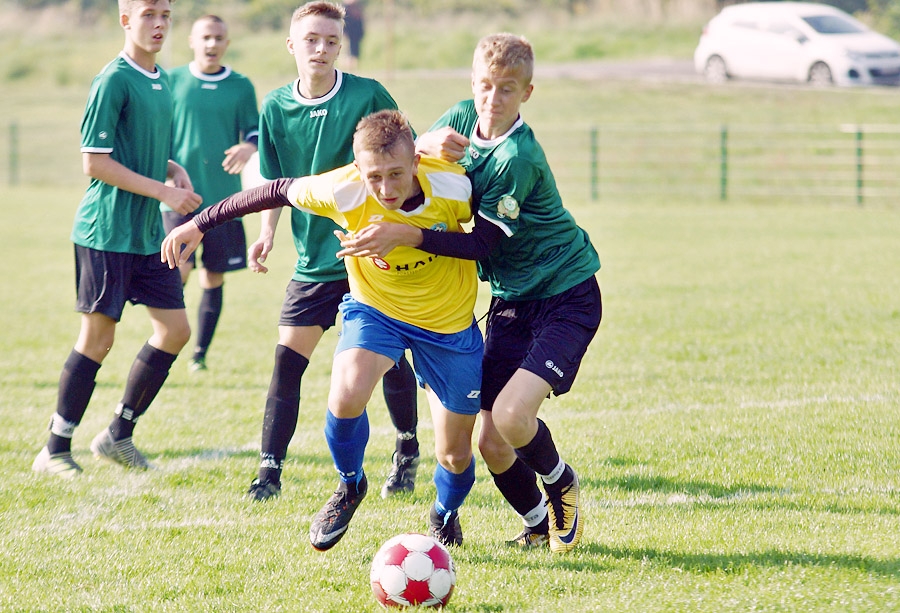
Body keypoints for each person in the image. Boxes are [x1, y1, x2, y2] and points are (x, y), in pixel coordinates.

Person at [162, 109, 481, 549]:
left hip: (447, 325)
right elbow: (272, 191)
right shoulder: (345, 188)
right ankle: (350, 485)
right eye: (374, 177)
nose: (385, 189)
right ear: (358, 169)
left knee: (455, 453)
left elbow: (490, 242)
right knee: (346, 393)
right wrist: (199, 223)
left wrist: (411, 236)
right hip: (377, 310)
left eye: (396, 175)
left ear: (416, 163)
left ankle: (444, 514)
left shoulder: (454, 185)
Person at [336, 33, 602, 554]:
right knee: (489, 441)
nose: (492, 99)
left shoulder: (517, 157)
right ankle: (533, 523)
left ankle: (561, 483)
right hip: (510, 299)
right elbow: (411, 159)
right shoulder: (460, 116)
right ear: (472, 83)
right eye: (484, 85)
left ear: (527, 93)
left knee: (509, 417)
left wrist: (408, 236)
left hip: (565, 292)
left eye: (506, 89)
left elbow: (481, 242)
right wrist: (426, 142)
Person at [242, 1, 420, 503]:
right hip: (314, 261)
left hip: (370, 254)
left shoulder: (367, 94)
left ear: (341, 44)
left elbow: (407, 157)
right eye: (312, 39)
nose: (321, 48)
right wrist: (268, 232)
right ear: (292, 44)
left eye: (331, 41)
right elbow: (275, 184)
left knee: (387, 359)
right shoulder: (275, 106)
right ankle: (268, 473)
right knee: (286, 361)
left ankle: (406, 450)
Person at [32, 0, 202, 477]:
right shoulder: (113, 79)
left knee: (175, 331)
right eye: (149, 14)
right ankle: (55, 448)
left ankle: (117, 434)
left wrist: (173, 168)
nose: (160, 24)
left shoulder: (161, 78)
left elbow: (143, 147)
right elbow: (95, 161)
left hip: (146, 233)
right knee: (98, 338)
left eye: (166, 15)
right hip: (106, 231)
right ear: (126, 20)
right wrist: (164, 190)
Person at [164, 14, 259, 373]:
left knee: (212, 276)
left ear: (227, 43)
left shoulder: (241, 85)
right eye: (205, 37)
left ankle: (199, 355)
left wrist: (248, 148)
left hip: (222, 201)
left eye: (219, 38)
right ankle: (168, 342)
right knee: (180, 269)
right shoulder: (171, 81)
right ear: (191, 40)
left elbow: (254, 131)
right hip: (177, 196)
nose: (211, 44)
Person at [342, 0, 364, 70]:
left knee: (354, 52)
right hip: (348, 34)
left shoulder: (357, 10)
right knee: (348, 52)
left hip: (355, 35)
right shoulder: (346, 10)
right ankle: (349, 67)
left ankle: (353, 68)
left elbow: (360, 23)